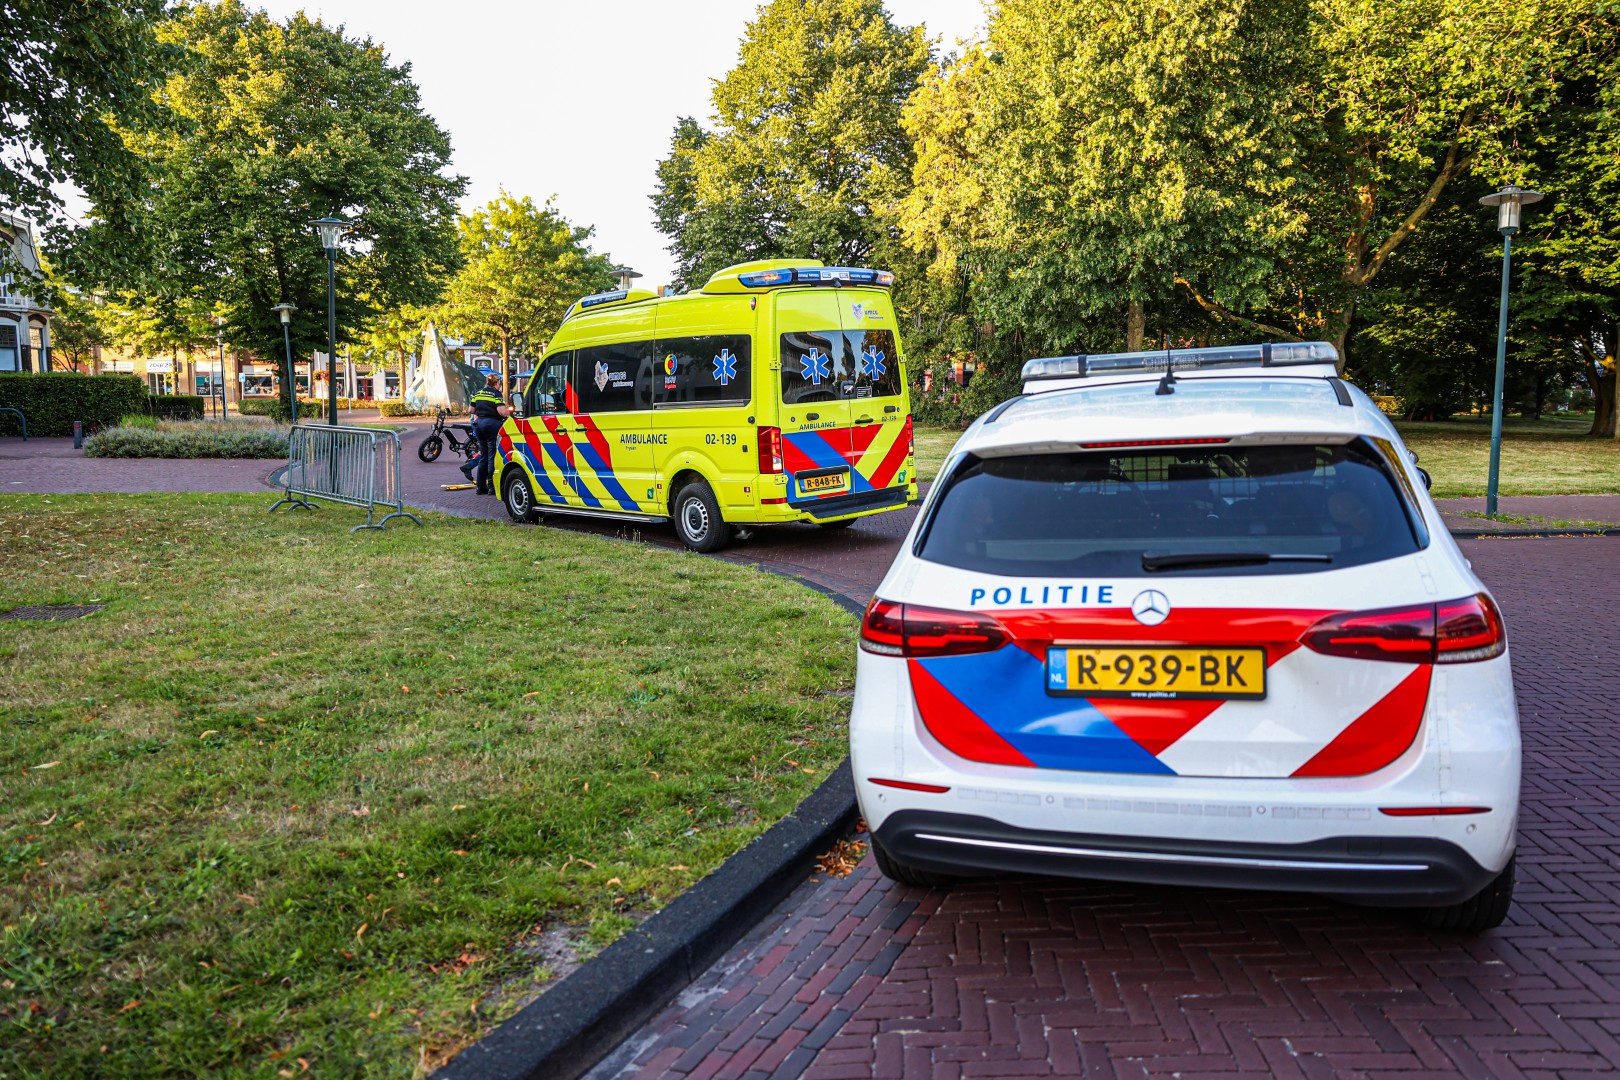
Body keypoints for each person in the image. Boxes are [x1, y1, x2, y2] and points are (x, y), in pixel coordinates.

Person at [468, 375, 512, 495]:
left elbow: (471, 410)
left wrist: (482, 411)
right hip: (492, 424)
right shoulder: (496, 394)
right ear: (497, 383)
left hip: (479, 424)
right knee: (492, 455)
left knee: (483, 455)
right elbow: (502, 412)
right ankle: (492, 486)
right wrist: (512, 412)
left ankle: (481, 487)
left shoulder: (478, 393)